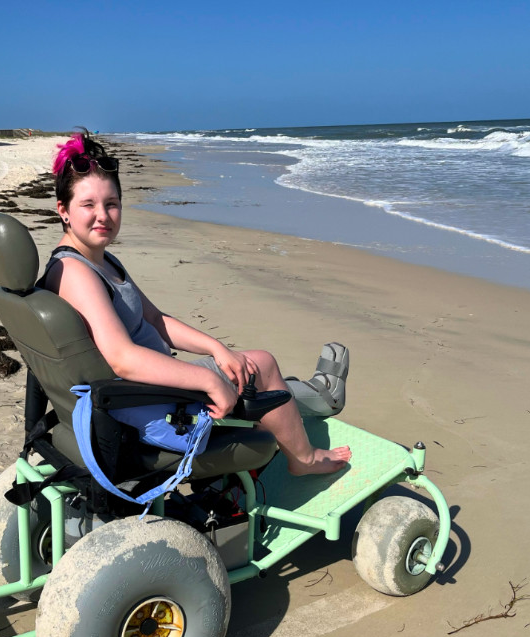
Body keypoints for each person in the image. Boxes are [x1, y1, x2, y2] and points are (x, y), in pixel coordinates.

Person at [40, 133, 351, 476]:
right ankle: (303, 460)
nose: (103, 215)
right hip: (147, 406)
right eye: (88, 205)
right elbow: (123, 359)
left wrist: (216, 348)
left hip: (146, 392)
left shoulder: (99, 261)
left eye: (111, 203)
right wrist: (208, 381)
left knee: (236, 364)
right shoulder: (75, 273)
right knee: (260, 365)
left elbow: (155, 320)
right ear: (64, 211)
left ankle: (254, 462)